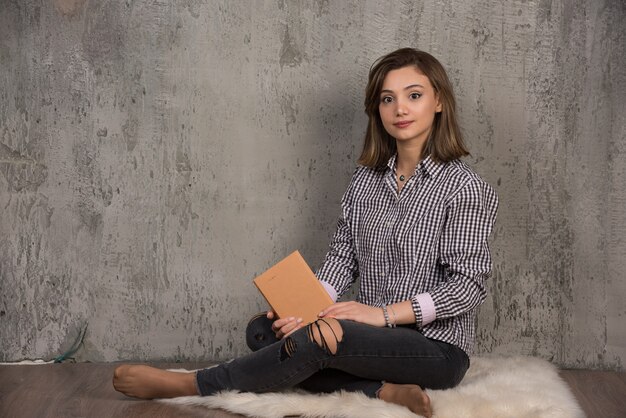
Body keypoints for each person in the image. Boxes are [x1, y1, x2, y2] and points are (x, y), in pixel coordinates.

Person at [113, 48, 498, 418]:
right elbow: (341, 259)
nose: (399, 108)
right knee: (264, 330)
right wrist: (303, 310)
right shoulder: (366, 181)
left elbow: (466, 288)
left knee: (323, 337)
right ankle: (381, 391)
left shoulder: (465, 188)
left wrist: (381, 316)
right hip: (367, 337)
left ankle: (194, 385)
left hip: (436, 349)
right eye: (387, 99)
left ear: (438, 102)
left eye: (414, 95)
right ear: (376, 109)